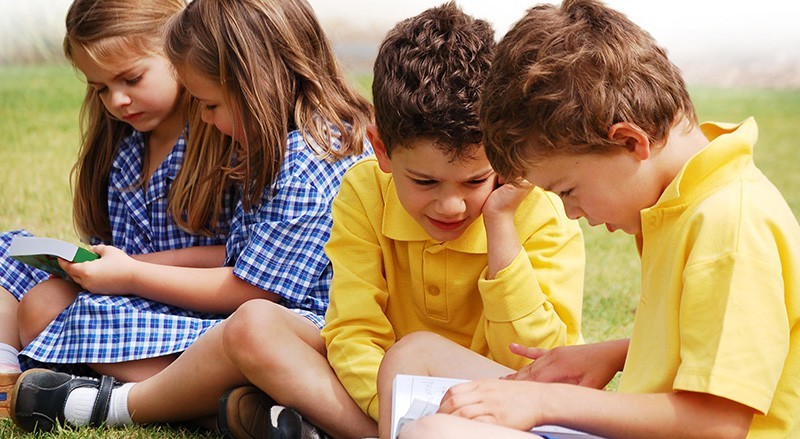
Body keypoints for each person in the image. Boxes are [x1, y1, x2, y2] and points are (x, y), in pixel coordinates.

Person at [399, 0, 800, 438]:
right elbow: (740, 340)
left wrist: (546, 401)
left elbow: (718, 424)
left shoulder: (730, 226)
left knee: (433, 433)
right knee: (413, 356)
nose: (571, 211)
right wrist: (619, 352)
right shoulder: (687, 198)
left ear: (629, 142)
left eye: (568, 190)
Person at [9, 0, 374, 435]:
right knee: (42, 294)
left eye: (211, 104)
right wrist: (121, 269)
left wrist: (131, 276)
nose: (203, 116)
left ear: (251, 83)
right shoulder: (281, 149)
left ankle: (119, 404)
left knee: (248, 329)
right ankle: (237, 410)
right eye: (101, 87)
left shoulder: (304, 161)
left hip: (303, 332)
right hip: (257, 323)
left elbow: (249, 290)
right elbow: (241, 266)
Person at [317, 3, 586, 438]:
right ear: (381, 150)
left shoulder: (538, 210)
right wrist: (404, 408)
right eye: (425, 182)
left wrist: (500, 229)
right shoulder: (364, 191)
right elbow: (353, 331)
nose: (452, 207)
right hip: (396, 394)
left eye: (475, 181)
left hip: (502, 405)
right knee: (261, 329)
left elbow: (536, 365)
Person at [0, 0, 234, 417]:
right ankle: (5, 368)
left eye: (131, 78)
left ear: (180, 53)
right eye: (101, 88)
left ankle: (195, 395)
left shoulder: (221, 135)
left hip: (199, 309)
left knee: (45, 307)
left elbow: (240, 258)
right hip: (128, 292)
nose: (118, 100)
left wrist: (132, 270)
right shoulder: (124, 144)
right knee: (8, 253)